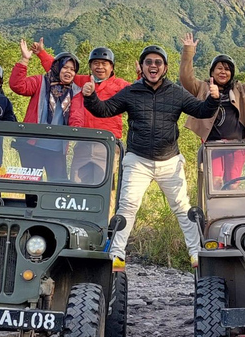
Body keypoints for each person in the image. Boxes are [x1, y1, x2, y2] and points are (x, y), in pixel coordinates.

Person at [82, 45, 220, 271]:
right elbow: (104, 110)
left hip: (170, 160)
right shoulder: (131, 91)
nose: (153, 66)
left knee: (182, 208)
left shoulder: (176, 92)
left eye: (158, 62)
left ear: (165, 67)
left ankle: (196, 254)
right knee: (127, 207)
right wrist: (90, 97)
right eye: (148, 62)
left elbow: (201, 110)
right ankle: (116, 255)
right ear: (142, 66)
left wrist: (214, 99)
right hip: (138, 160)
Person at [32, 42, 130, 184]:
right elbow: (60, 71)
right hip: (83, 142)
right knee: (78, 185)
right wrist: (42, 53)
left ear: (112, 67)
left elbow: (138, 94)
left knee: (107, 188)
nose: (100, 67)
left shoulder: (120, 85)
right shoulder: (83, 81)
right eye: (96, 63)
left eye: (104, 63)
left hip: (108, 145)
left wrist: (141, 76)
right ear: (90, 66)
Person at [180, 33, 245, 190]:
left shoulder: (239, 89)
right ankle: (217, 214)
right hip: (213, 145)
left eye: (227, 69)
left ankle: (233, 213)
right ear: (212, 72)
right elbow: (185, 77)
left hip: (236, 145)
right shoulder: (202, 88)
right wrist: (188, 51)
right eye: (219, 68)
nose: (223, 72)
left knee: (233, 184)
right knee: (215, 183)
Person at [8, 38, 81, 182]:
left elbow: (77, 117)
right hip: (32, 146)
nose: (69, 72)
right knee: (32, 188)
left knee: (58, 187)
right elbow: (17, 85)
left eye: (73, 69)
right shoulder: (41, 81)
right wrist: (24, 60)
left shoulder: (75, 91)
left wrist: (76, 132)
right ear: (57, 67)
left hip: (57, 150)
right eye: (65, 67)